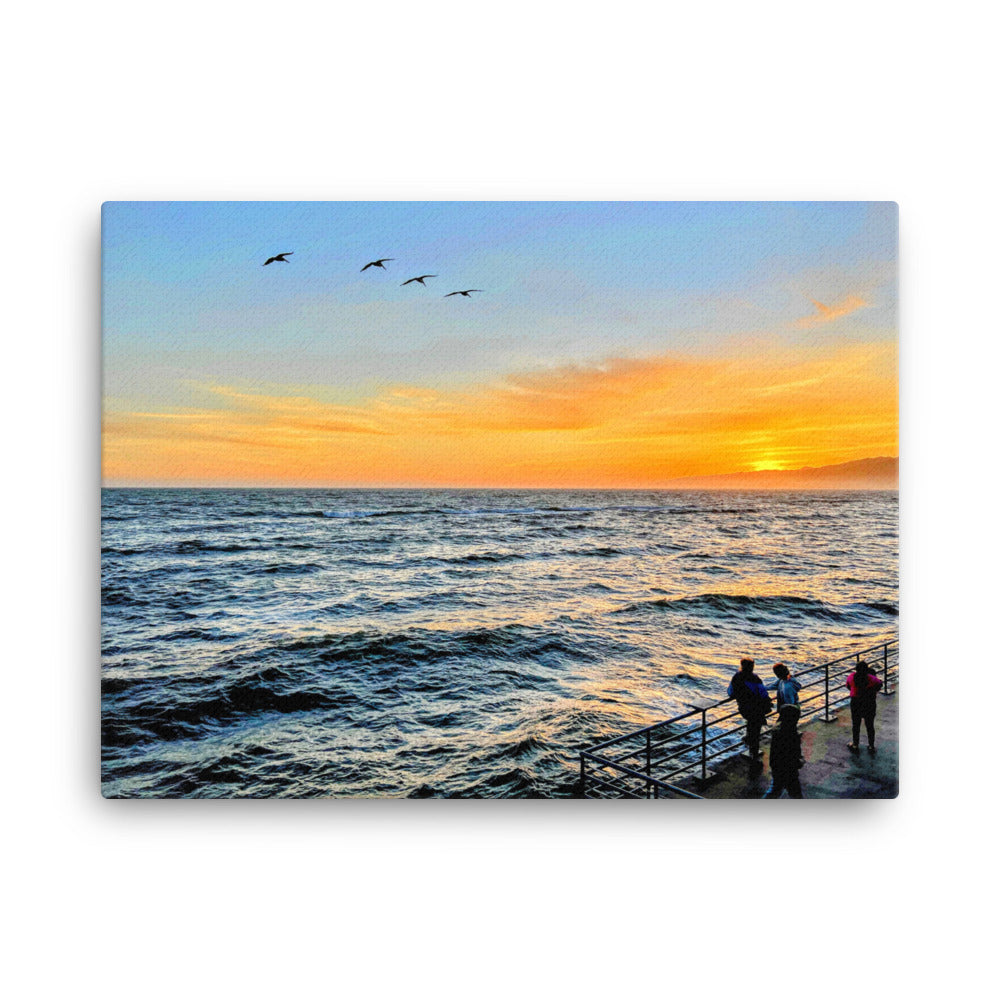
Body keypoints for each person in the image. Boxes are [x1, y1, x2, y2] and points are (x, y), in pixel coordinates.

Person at [727, 657, 772, 772]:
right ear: (752, 667)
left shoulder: (736, 677)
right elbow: (763, 694)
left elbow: (730, 692)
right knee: (755, 733)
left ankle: (749, 744)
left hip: (744, 709)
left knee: (751, 728)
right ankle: (754, 758)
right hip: (756, 710)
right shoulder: (755, 679)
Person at [763, 704, 805, 798]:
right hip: (788, 769)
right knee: (795, 793)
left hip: (777, 767)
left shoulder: (778, 730)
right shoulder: (790, 734)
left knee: (775, 789)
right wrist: (799, 761)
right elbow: (792, 753)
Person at [846, 660, 883, 753]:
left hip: (856, 702)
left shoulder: (851, 677)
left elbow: (848, 686)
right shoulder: (871, 678)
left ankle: (855, 744)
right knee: (870, 725)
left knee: (856, 724)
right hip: (869, 702)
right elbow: (879, 684)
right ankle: (871, 746)